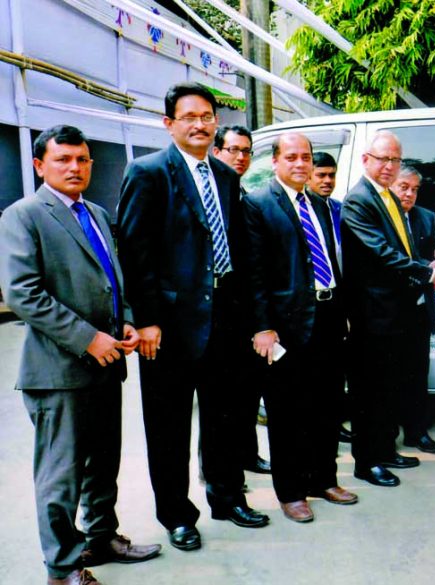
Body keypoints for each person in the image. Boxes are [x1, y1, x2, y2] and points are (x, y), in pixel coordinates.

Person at [0, 125, 161, 585]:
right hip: (58, 371)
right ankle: (62, 566)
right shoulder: (24, 216)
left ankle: (101, 537)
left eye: (82, 159)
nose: (75, 167)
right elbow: (23, 294)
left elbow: (114, 280)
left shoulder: (95, 213)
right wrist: (89, 337)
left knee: (102, 465)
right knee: (61, 476)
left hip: (107, 366)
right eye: (63, 159)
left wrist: (126, 319)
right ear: (39, 166)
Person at [117, 82, 269, 553]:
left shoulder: (224, 177)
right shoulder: (148, 173)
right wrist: (146, 320)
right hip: (169, 326)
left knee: (225, 418)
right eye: (190, 117)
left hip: (224, 317)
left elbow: (237, 250)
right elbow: (134, 251)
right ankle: (177, 516)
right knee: (169, 426)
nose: (200, 124)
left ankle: (227, 498)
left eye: (207, 116)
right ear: (169, 124)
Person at [242, 132, 359, 524]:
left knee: (327, 406)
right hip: (285, 326)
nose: (300, 164)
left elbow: (333, 260)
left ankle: (323, 478)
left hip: (328, 317)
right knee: (287, 413)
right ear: (275, 162)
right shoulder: (259, 205)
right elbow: (254, 274)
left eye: (305, 157)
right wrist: (263, 327)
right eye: (290, 157)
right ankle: (290, 492)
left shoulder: (322, 206)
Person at [340, 130, 435, 487]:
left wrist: (430, 263)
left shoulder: (387, 197)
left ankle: (385, 450)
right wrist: (428, 274)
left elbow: (405, 249)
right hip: (372, 314)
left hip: (396, 314)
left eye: (394, 160)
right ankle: (367, 462)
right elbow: (381, 254)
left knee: (388, 388)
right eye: (382, 159)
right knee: (369, 392)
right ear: (366, 161)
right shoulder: (359, 200)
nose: (389, 166)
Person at [211, 125, 271, 477]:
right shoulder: (211, 194)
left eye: (246, 151)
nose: (240, 157)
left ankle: (247, 454)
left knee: (249, 391)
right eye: (233, 150)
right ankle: (215, 467)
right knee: (220, 400)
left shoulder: (244, 193)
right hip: (218, 313)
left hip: (248, 313)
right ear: (217, 152)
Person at [394, 166, 435, 454]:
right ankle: (388, 437)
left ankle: (417, 433)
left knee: (418, 375)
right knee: (390, 378)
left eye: (415, 189)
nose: (409, 194)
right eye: (404, 186)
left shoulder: (425, 217)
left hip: (419, 309)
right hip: (389, 312)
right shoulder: (382, 217)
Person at [306, 150, 354, 444]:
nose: (327, 181)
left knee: (336, 376)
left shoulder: (337, 208)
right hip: (311, 305)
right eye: (320, 175)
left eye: (331, 175)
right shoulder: (302, 212)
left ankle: (334, 426)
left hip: (338, 300)